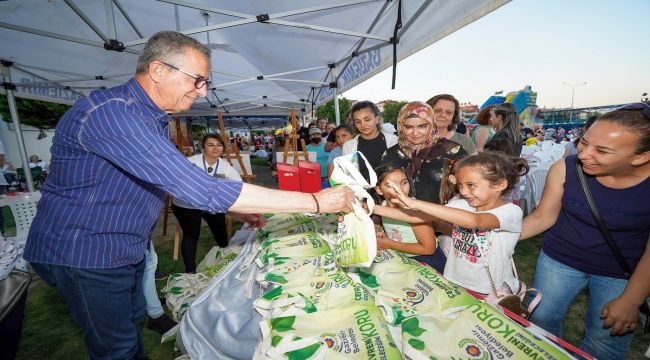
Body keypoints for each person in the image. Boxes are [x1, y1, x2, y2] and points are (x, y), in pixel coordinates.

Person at [23, 30, 354, 360]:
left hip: (124, 246)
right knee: (116, 348)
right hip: (86, 251)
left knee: (132, 327)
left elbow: (174, 177)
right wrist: (316, 202)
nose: (203, 91)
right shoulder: (113, 114)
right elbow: (198, 186)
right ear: (159, 70)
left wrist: (235, 210)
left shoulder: (152, 118)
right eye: (198, 80)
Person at [520, 104, 650, 360]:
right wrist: (491, 238)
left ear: (641, 157)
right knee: (540, 319)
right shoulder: (565, 168)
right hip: (559, 259)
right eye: (584, 142)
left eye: (602, 150)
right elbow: (542, 217)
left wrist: (632, 300)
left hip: (622, 273)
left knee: (605, 339)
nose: (584, 154)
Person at [374, 151, 529, 295]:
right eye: (460, 185)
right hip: (453, 280)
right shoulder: (461, 204)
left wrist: (413, 203)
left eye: (471, 185)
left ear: (500, 185)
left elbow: (475, 221)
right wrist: (371, 208)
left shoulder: (510, 213)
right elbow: (414, 217)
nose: (463, 191)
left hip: (488, 288)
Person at [172, 134, 241, 273]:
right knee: (191, 235)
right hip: (187, 204)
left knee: (220, 230)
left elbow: (238, 185)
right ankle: (190, 271)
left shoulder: (224, 166)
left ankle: (225, 258)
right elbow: (176, 182)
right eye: (210, 145)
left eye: (219, 145)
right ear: (203, 147)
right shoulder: (190, 162)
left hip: (211, 204)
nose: (215, 148)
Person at [382, 101, 467, 204]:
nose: (415, 133)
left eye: (422, 126)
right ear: (400, 127)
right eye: (408, 127)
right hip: (400, 216)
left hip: (442, 217)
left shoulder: (453, 151)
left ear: (432, 125)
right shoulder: (391, 154)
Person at [371, 164, 444, 272]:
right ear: (379, 190)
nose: (400, 189)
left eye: (404, 183)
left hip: (426, 262)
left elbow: (429, 248)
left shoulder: (415, 210)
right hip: (402, 259)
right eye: (391, 186)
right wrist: (377, 223)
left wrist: (391, 244)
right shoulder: (383, 205)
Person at [342, 100, 398, 181]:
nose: (363, 125)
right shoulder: (349, 146)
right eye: (358, 122)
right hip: (361, 192)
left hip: (390, 191)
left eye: (367, 120)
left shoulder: (393, 141)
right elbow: (348, 176)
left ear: (377, 119)